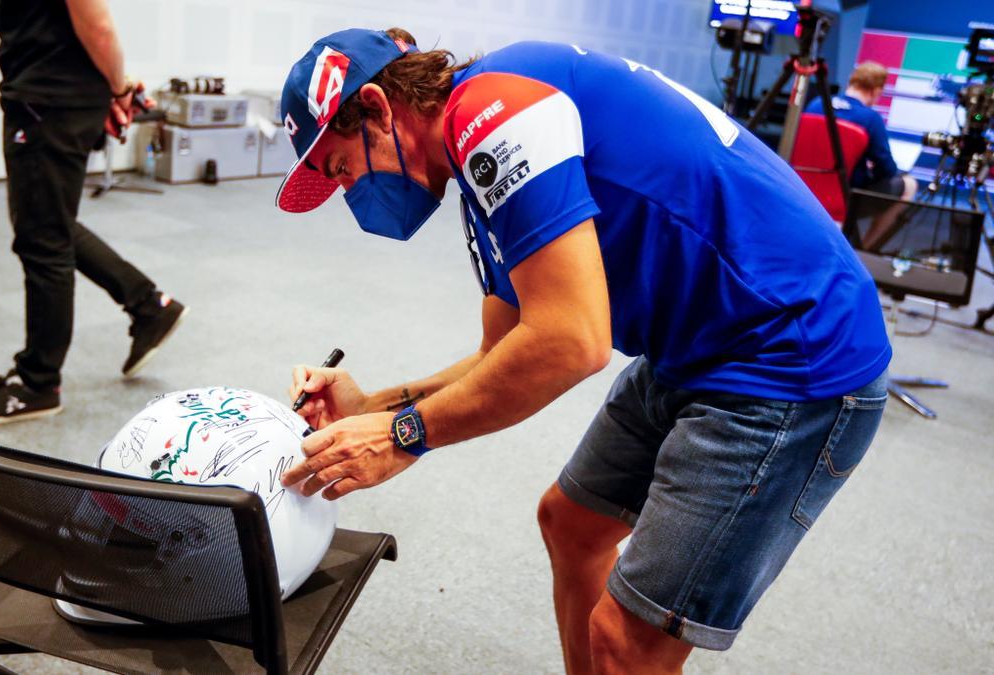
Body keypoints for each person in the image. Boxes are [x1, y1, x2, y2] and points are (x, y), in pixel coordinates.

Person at [273, 29, 891, 673]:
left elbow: (572, 341)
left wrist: (402, 436)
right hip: (699, 340)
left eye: (342, 168)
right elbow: (506, 351)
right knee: (573, 525)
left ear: (376, 107)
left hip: (788, 358)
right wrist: (369, 406)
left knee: (627, 642)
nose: (350, 193)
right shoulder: (478, 149)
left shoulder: (495, 115)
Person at [0, 0, 187, 426]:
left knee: (42, 237)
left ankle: (38, 383)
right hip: (50, 98)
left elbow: (98, 26)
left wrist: (118, 88)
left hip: (47, 103)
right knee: (49, 223)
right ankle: (149, 305)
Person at [806, 61, 917, 248]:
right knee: (909, 185)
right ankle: (863, 250)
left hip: (804, 188)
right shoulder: (870, 119)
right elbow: (887, 170)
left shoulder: (816, 104)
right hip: (845, 197)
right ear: (875, 90)